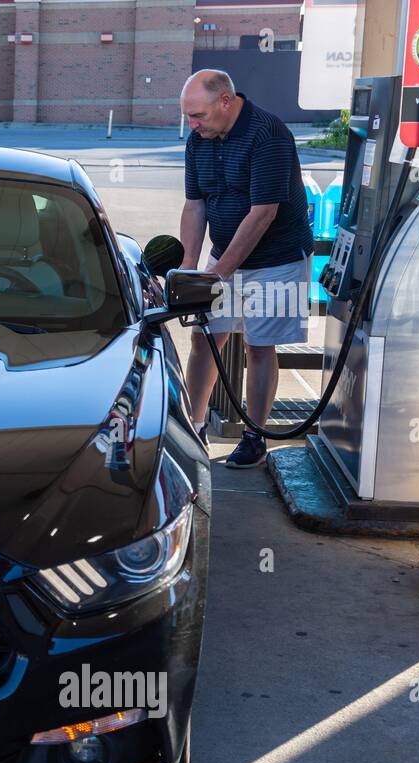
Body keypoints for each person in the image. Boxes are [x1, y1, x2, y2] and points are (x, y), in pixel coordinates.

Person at [178, 69, 315, 467]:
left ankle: (255, 436)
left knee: (259, 346)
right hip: (225, 254)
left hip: (277, 258)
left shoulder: (267, 134)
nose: (192, 125)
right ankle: (195, 426)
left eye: (198, 115)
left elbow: (262, 214)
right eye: (188, 116)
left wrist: (216, 275)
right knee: (205, 340)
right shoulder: (198, 141)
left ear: (225, 101)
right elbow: (195, 205)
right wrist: (190, 269)